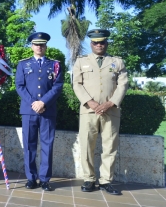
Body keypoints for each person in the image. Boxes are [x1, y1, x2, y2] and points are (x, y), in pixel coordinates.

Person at [72, 29, 128, 195]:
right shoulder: (81, 61)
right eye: (95, 42)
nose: (99, 45)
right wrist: (91, 102)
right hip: (89, 111)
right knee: (87, 146)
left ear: (106, 43)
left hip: (111, 111)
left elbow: (123, 85)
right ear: (91, 44)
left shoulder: (117, 62)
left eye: (102, 42)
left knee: (110, 146)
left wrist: (110, 103)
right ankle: (89, 179)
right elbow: (77, 84)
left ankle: (105, 181)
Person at [15, 32, 64, 191]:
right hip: (29, 111)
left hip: (47, 111)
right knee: (29, 146)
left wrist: (43, 102)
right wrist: (34, 103)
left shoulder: (55, 64)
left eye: (42, 44)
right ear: (32, 46)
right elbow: (19, 86)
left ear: (46, 46)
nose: (39, 47)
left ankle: (44, 179)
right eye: (36, 44)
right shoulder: (23, 64)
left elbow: (58, 86)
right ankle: (31, 178)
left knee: (47, 146)